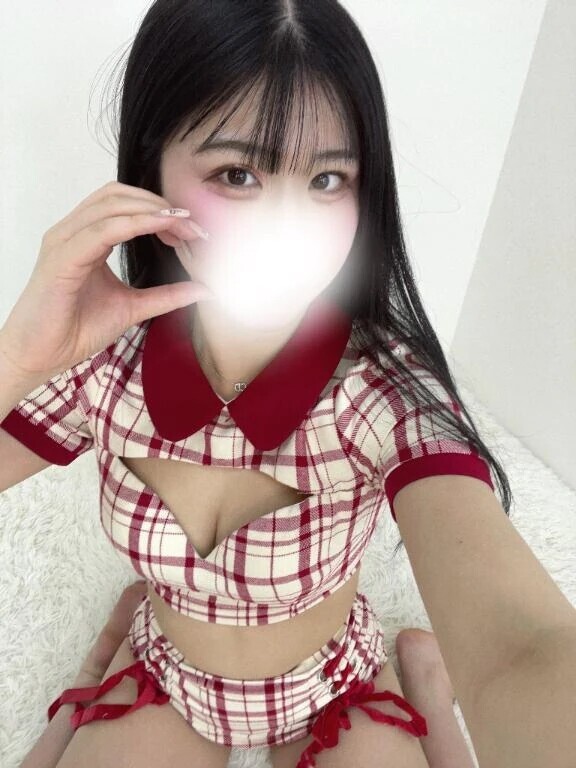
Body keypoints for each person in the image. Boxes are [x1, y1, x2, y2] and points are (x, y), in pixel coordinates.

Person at [2, 2, 575, 768]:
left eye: (327, 178)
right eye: (237, 174)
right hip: (168, 676)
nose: (287, 225)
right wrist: (18, 358)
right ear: (151, 170)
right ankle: (110, 650)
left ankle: (425, 685)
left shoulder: (382, 388)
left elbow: (524, 647)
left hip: (332, 681)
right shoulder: (108, 361)